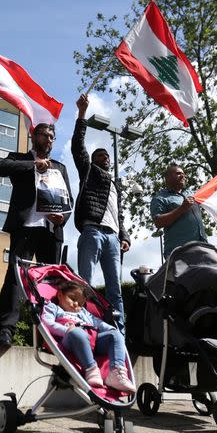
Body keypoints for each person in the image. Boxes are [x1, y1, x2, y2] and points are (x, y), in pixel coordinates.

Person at [0, 122, 73, 347]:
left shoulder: (60, 167)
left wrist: (63, 218)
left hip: (51, 232)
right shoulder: (20, 159)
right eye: (44, 135)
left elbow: (70, 201)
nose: (48, 139)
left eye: (51, 137)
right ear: (33, 136)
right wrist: (33, 165)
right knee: (16, 278)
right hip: (26, 227)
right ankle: (6, 329)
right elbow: (1, 167)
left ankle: (48, 335)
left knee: (51, 284)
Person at [71, 94, 130, 334]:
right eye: (100, 156)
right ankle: (84, 325)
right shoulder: (88, 172)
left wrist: (124, 235)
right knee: (85, 281)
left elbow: (120, 214)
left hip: (113, 238)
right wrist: (82, 115)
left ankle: (119, 333)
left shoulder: (116, 184)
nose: (105, 159)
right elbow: (78, 147)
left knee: (115, 289)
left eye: (107, 157)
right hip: (93, 231)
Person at [42, 279, 136, 393]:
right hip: (70, 340)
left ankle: (116, 373)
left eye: (81, 304)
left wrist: (110, 328)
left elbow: (97, 322)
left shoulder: (83, 313)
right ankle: (91, 369)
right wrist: (66, 330)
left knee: (116, 335)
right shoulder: (53, 307)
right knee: (77, 332)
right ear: (60, 294)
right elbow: (47, 323)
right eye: (72, 298)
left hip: (93, 341)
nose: (76, 304)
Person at [150, 164, 208, 260]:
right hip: (179, 251)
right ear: (167, 177)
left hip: (203, 248)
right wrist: (182, 208)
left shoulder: (192, 193)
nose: (183, 176)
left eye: (183, 174)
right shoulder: (160, 198)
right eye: (178, 173)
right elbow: (158, 222)